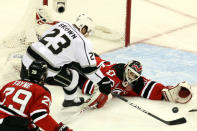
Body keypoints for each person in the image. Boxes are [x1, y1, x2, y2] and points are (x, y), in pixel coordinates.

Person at [20, 14, 112, 109]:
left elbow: (43, 37)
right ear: (83, 28)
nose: (87, 35)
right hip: (46, 68)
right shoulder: (83, 42)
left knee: (24, 85)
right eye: (87, 32)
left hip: (28, 56)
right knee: (74, 76)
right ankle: (69, 100)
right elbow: (89, 69)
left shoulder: (62, 24)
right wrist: (103, 81)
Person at [80, 53, 192, 104]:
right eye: (130, 73)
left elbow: (149, 86)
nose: (131, 77)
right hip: (89, 62)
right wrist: (101, 95)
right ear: (125, 68)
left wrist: (168, 91)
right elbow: (88, 84)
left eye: (134, 75)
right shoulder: (112, 75)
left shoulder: (134, 83)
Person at [0, 60, 73, 131]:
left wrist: (32, 126)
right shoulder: (42, 91)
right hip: (10, 125)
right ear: (43, 76)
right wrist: (57, 129)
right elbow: (39, 116)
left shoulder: (11, 84)